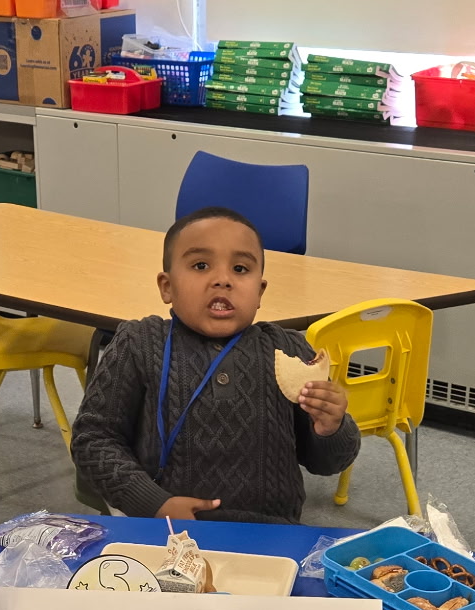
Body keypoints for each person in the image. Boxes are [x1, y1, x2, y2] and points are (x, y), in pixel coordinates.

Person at [70, 206, 359, 522]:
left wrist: (332, 427)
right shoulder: (139, 342)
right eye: (201, 265)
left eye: (240, 268)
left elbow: (327, 463)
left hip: (271, 534)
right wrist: (152, 503)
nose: (222, 280)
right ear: (167, 287)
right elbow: (93, 440)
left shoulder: (288, 349)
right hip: (163, 530)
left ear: (260, 291)